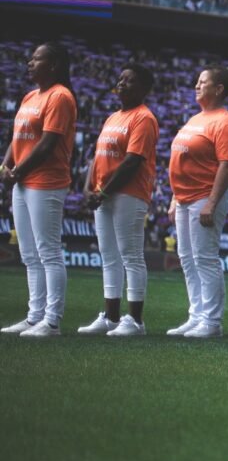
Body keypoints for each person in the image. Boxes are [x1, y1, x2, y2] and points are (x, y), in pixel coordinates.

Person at [0, 42, 77, 338]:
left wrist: (17, 171)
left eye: (37, 59)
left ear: (54, 65)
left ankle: (52, 320)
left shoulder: (60, 96)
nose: (30, 63)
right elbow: (16, 136)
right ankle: (34, 317)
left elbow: (48, 143)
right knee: (30, 254)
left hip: (45, 181)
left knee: (49, 252)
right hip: (22, 181)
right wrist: (6, 166)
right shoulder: (31, 96)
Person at [78, 63, 159, 337]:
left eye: (130, 80)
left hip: (128, 194)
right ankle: (111, 318)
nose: (122, 83)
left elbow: (133, 161)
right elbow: (97, 156)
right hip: (105, 193)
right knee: (109, 257)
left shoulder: (143, 118)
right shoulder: (113, 117)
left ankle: (135, 321)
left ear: (144, 89)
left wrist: (103, 192)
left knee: (131, 256)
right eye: (121, 78)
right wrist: (88, 187)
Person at [166, 66, 228, 339]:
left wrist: (211, 202)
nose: (197, 85)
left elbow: (227, 164)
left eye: (203, 82)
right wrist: (175, 197)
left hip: (205, 196)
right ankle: (196, 315)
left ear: (219, 89)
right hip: (185, 197)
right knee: (187, 258)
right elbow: (182, 160)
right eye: (197, 81)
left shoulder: (224, 122)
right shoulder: (197, 118)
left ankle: (211, 321)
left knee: (205, 258)